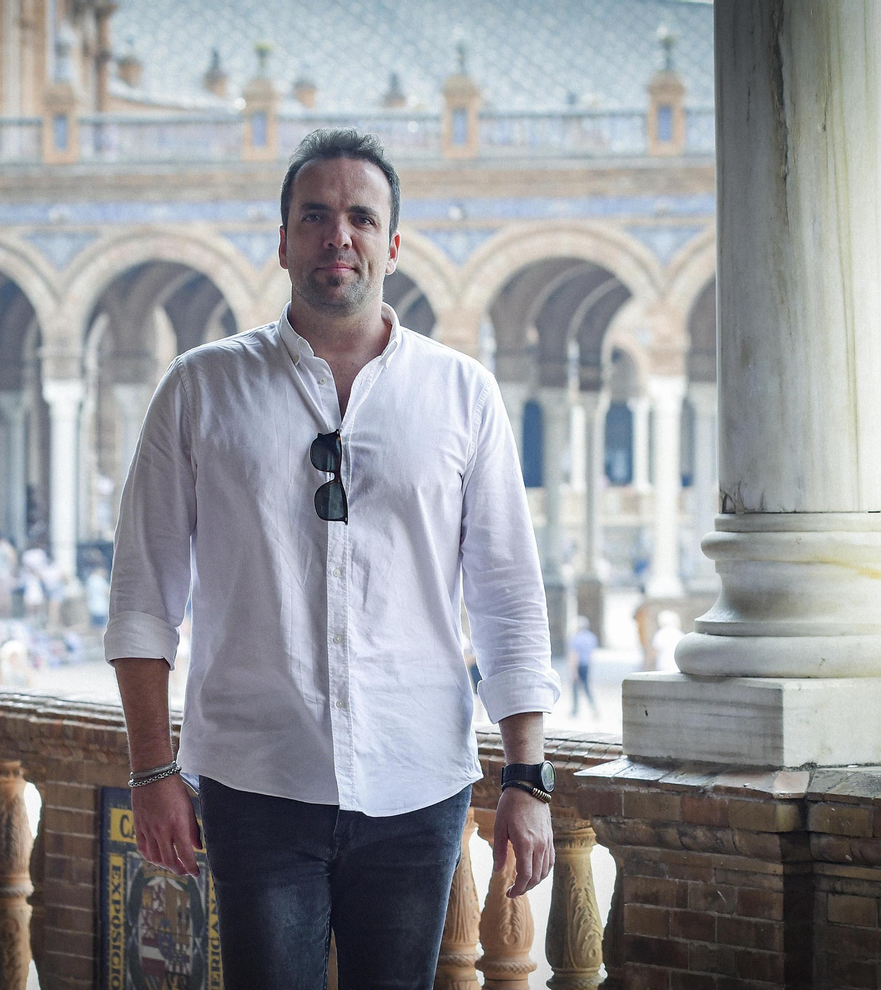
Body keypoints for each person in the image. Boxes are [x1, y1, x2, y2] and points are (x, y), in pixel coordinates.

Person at [107, 128, 560, 988]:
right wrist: (151, 770)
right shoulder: (200, 389)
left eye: (360, 217)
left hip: (417, 781)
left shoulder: (462, 393)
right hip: (257, 780)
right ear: (282, 241)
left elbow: (507, 595)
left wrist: (527, 778)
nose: (336, 235)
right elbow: (142, 594)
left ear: (392, 244)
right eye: (314, 215)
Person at [568, 615, 600, 719]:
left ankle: (575, 710)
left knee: (575, 688)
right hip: (586, 665)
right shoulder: (591, 637)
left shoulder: (575, 638)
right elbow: (591, 654)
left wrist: (574, 671)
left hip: (578, 665)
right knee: (587, 687)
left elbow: (574, 655)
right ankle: (594, 709)